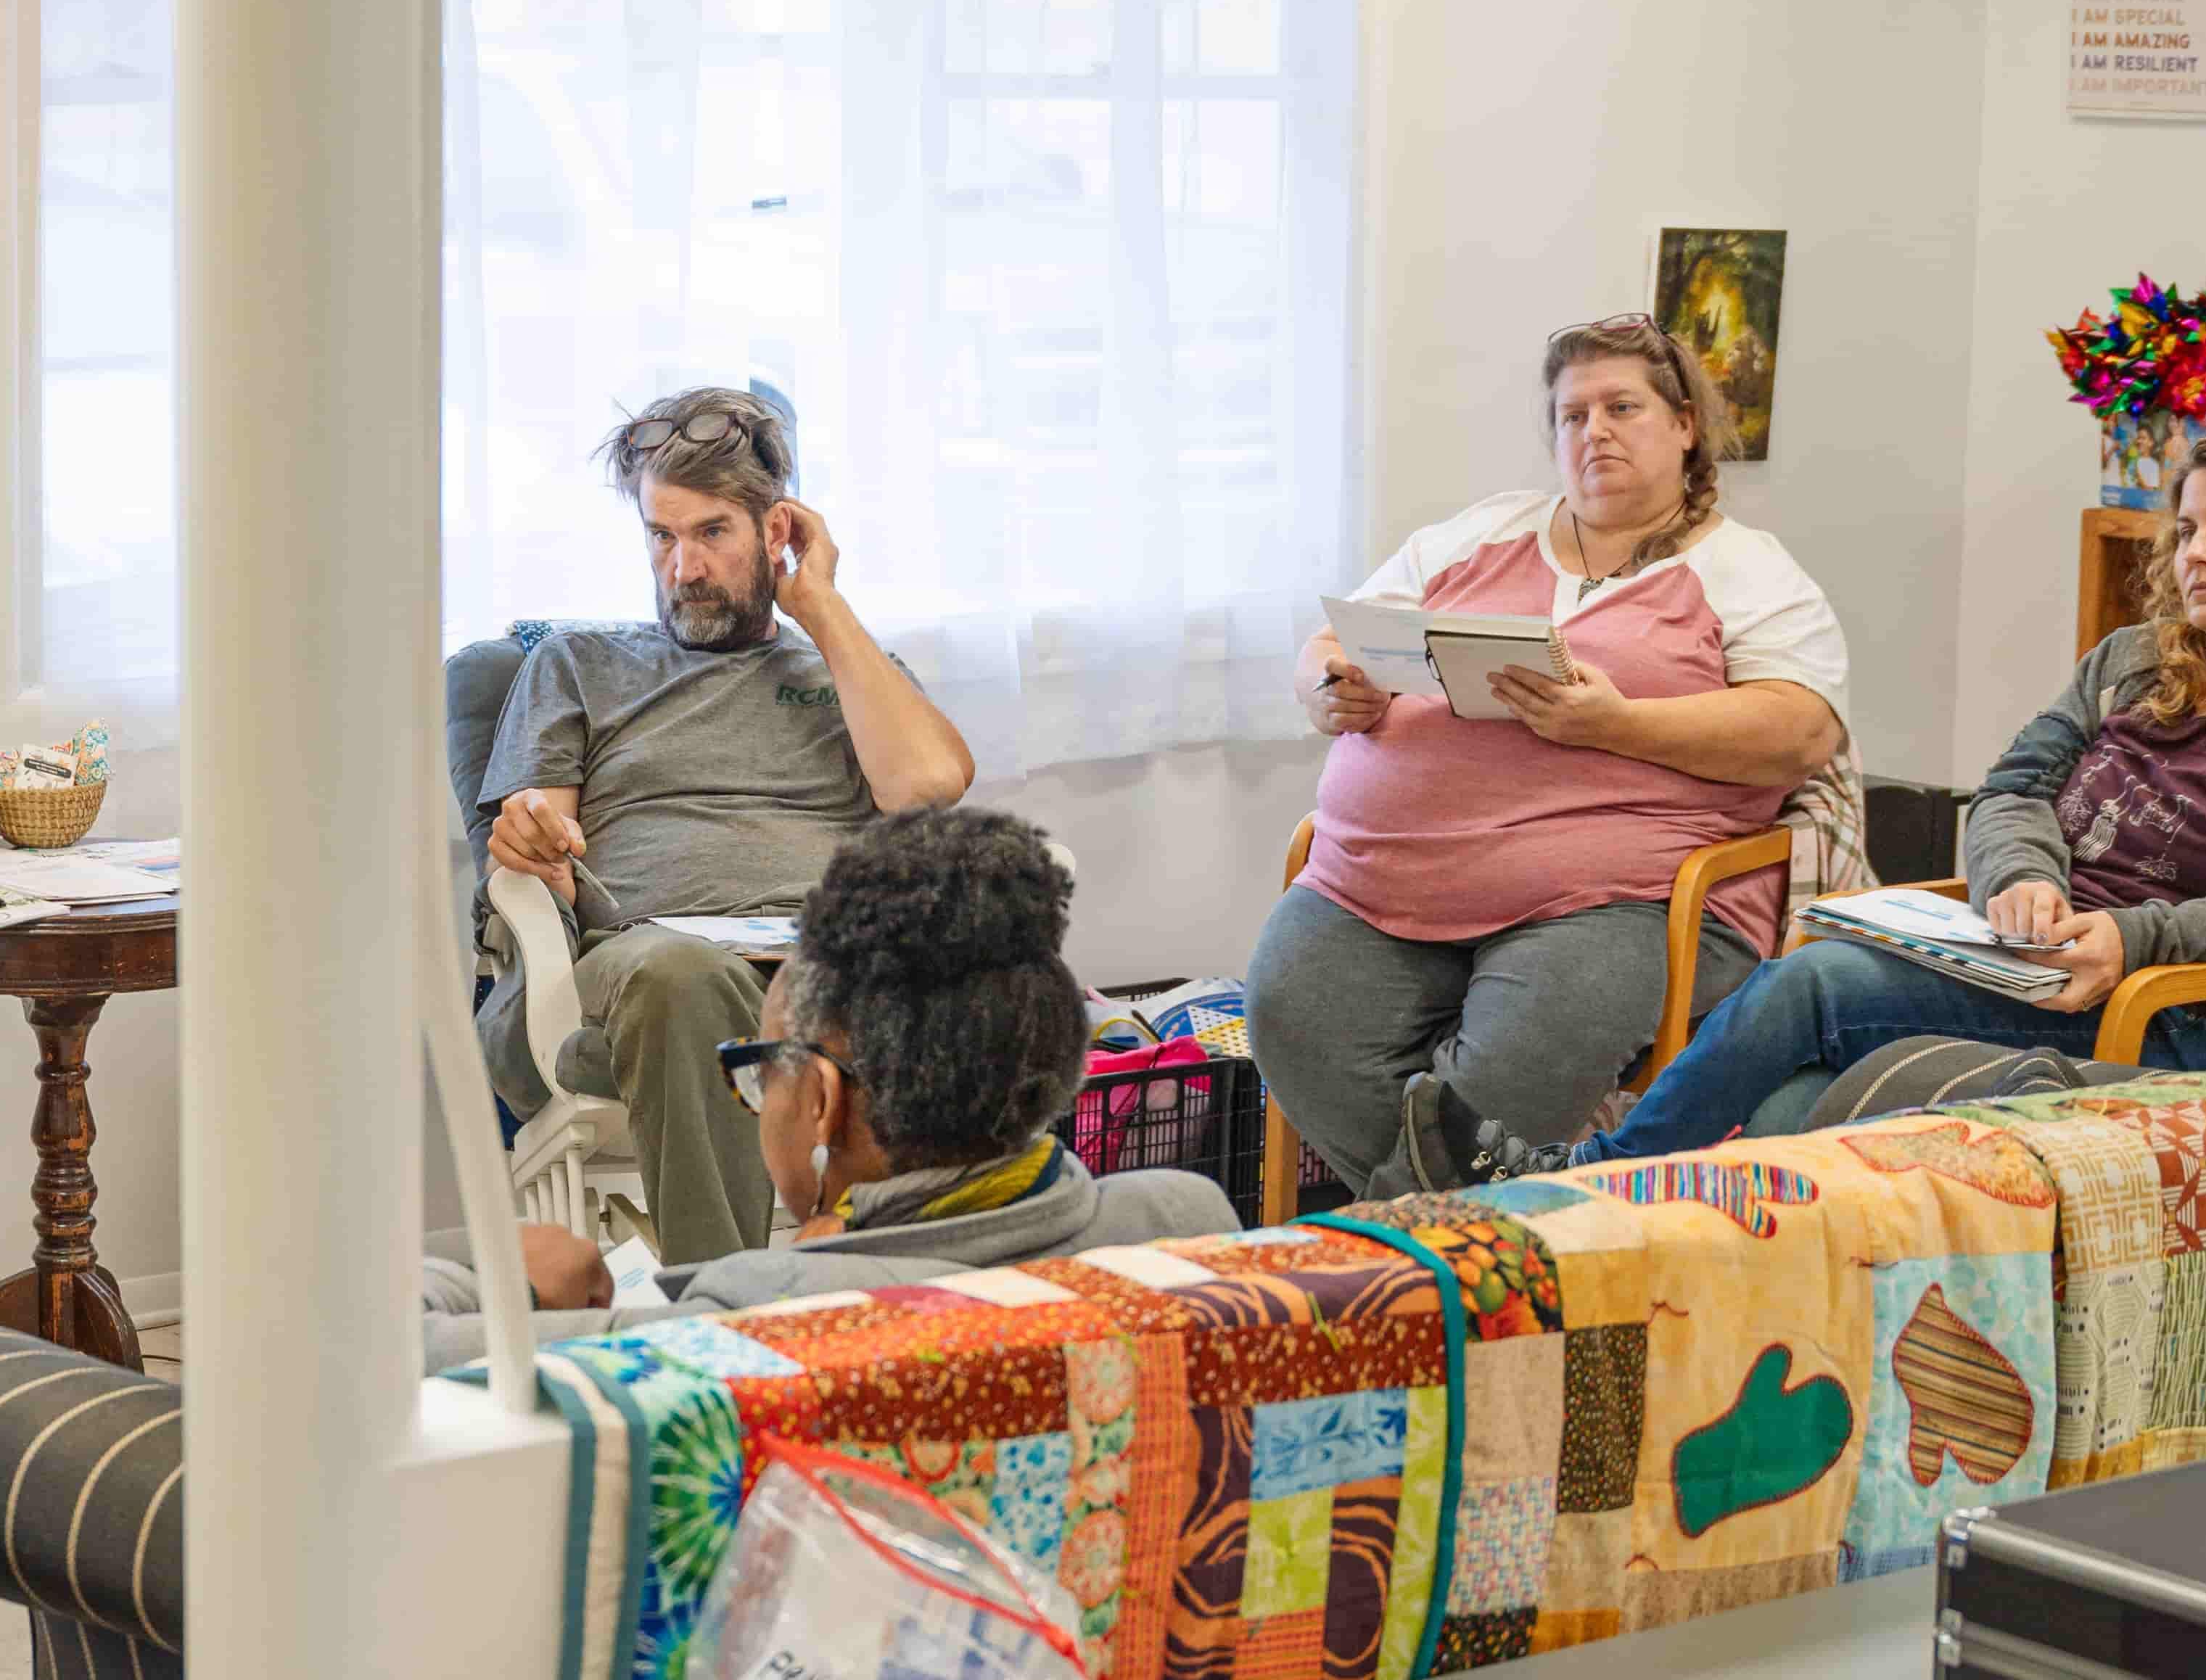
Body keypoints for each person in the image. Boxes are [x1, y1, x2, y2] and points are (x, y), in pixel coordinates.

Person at [1592, 418, 2206, 1153]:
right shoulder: (2133, 659)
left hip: (2174, 1007)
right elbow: (2010, 789)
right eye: (2183, 531)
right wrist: (2021, 877)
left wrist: (2134, 938)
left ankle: (1595, 1186)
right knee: (1785, 1105)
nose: (2196, 554)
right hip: (2033, 970)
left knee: (1809, 985)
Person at [1246, 311, 1848, 1198]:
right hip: (1375, 878)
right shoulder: (1479, 534)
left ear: (1684, 425)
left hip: (1612, 902)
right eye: (1572, 415)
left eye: (1621, 407)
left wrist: (1616, 725)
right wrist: (1327, 687)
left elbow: (1801, 730)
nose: (1593, 430)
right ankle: (1456, 1230)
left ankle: (1392, 1248)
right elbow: (1330, 643)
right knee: (1287, 1010)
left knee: (1525, 1054)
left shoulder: (1748, 571)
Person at [476, 383, 974, 1266]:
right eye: (660, 536)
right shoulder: (577, 663)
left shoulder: (847, 669)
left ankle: (945, 1303)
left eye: (712, 532)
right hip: (651, 956)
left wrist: (817, 607)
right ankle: (722, 1299)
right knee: (682, 975)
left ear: (775, 529)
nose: (683, 567)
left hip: (826, 955)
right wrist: (521, 834)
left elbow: (929, 785)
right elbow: (540, 839)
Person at [428, 809, 1230, 1349]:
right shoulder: (1186, 1217)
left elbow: (387, 1365)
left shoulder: (754, 1309)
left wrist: (506, 1272)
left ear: (820, 1099)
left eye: (758, 1069)